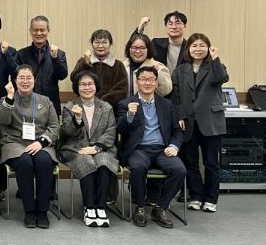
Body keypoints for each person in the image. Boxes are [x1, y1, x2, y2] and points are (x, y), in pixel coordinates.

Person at [116, 66, 185, 228]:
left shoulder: (166, 104)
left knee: (179, 170)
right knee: (138, 167)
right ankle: (140, 207)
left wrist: (174, 146)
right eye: (143, 79)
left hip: (162, 149)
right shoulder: (126, 103)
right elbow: (120, 129)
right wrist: (129, 115)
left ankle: (160, 207)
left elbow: (177, 131)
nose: (147, 83)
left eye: (151, 79)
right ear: (137, 81)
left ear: (156, 82)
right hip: (138, 149)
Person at [171, 34, 229, 213]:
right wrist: (180, 116)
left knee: (211, 163)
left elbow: (220, 78)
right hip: (188, 122)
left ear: (208, 48)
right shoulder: (181, 70)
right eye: (194, 46)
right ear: (188, 49)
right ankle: (195, 196)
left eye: (202, 45)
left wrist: (215, 58)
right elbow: (175, 97)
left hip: (211, 122)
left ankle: (211, 199)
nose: (198, 49)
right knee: (191, 162)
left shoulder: (216, 66)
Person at [0, 64, 59, 228]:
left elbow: (54, 126)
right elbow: (2, 121)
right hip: (14, 143)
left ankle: (42, 210)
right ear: (15, 80)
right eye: (21, 78)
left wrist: (41, 142)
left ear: (34, 80)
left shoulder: (45, 101)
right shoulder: (6, 99)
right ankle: (29, 211)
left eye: (28, 78)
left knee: (44, 161)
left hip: (40, 143)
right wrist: (10, 97)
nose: (25, 81)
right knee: (24, 162)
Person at [60, 71, 118, 227]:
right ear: (77, 87)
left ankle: (101, 207)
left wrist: (97, 147)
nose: (87, 88)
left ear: (96, 86)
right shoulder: (70, 107)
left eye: (90, 84)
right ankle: (89, 207)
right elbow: (67, 132)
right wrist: (77, 119)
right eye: (82, 84)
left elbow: (111, 130)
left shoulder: (106, 107)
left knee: (104, 163)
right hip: (76, 148)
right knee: (86, 161)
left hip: (101, 148)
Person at [15, 16, 68, 115]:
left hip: (50, 104)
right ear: (30, 31)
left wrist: (55, 58)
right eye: (35, 30)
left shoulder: (59, 53)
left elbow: (62, 75)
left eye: (42, 30)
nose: (39, 33)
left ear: (48, 31)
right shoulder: (21, 54)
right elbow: (16, 78)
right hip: (25, 104)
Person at [70, 29, 128, 111]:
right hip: (84, 107)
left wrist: (102, 103)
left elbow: (121, 90)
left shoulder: (118, 65)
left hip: (110, 109)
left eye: (104, 42)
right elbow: (74, 79)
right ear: (92, 44)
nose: (100, 46)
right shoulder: (84, 61)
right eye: (97, 42)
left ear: (110, 44)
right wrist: (85, 63)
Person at [123, 33, 172, 98]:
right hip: (125, 104)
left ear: (148, 49)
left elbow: (166, 91)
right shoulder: (122, 67)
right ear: (129, 49)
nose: (138, 51)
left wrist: (158, 73)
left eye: (142, 48)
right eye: (134, 48)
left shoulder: (158, 67)